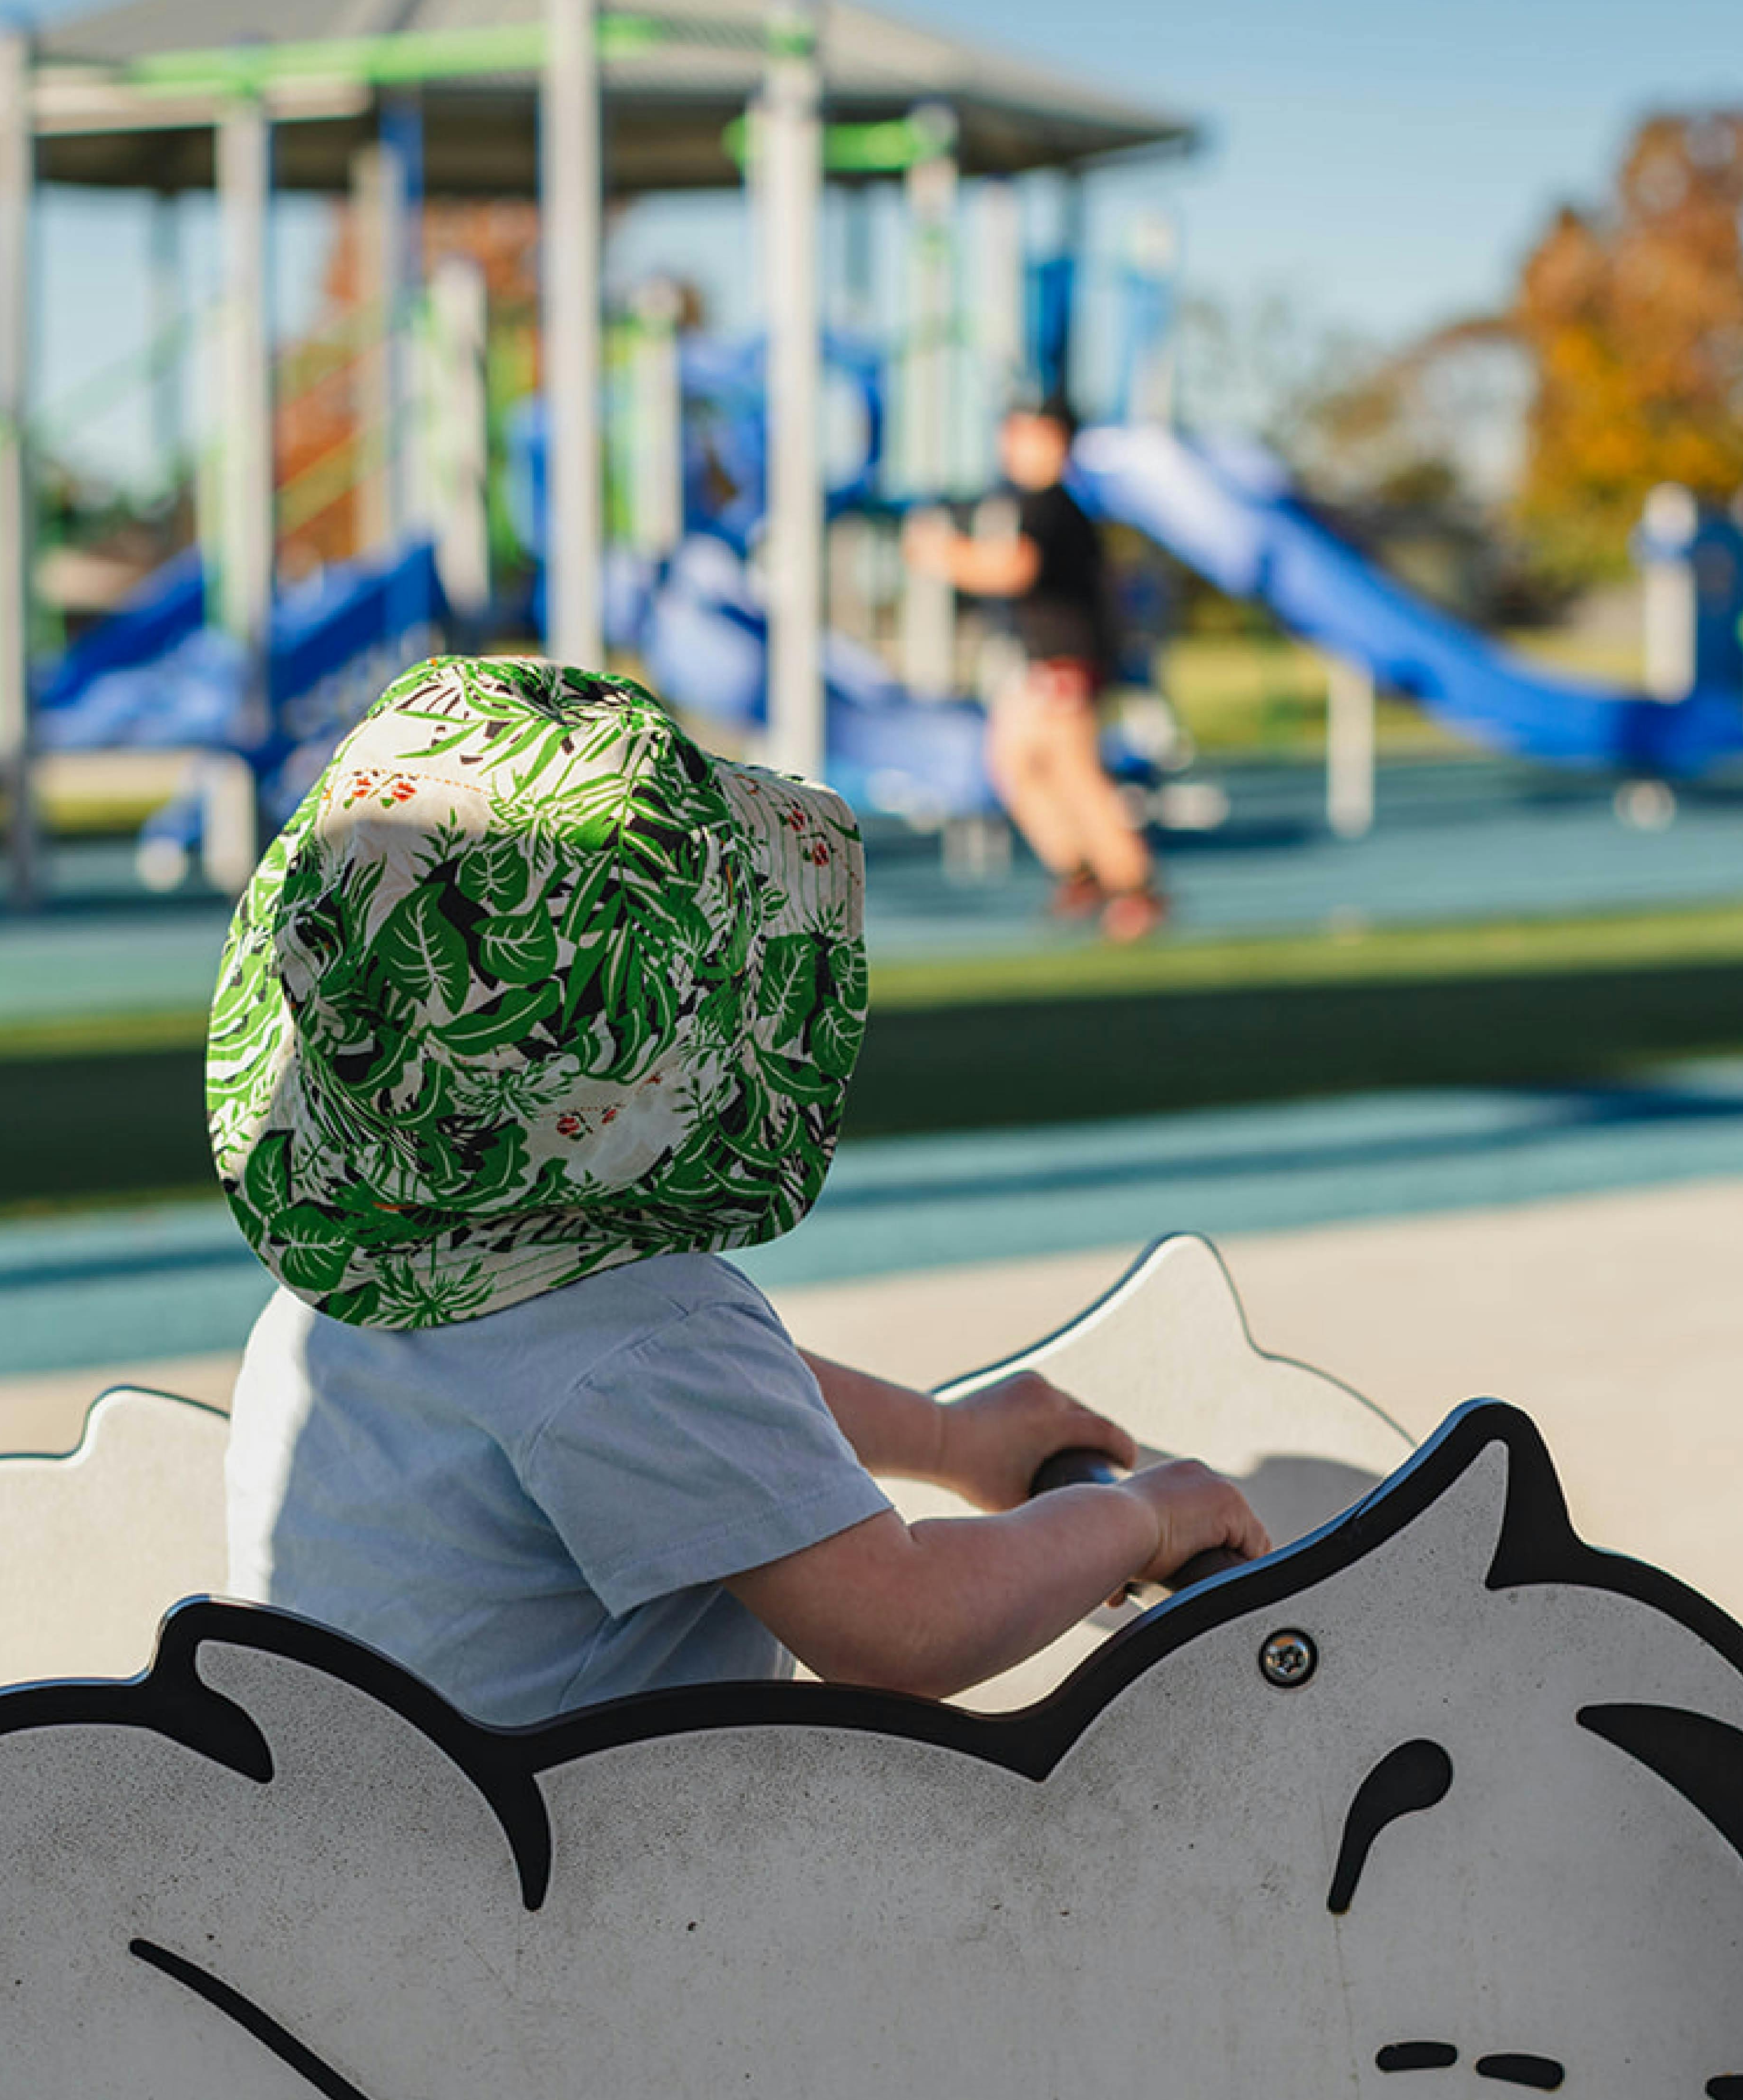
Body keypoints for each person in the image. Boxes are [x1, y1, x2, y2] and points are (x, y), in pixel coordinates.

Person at [209, 656, 1264, 1727]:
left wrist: (949, 1441)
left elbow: (698, 1411)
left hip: (344, 1847)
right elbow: (904, 1628)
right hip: (567, 1877)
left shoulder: (358, 1281)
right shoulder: (646, 1349)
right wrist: (1137, 1522)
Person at [905, 391, 1165, 941]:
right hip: (1043, 662)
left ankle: (1133, 886)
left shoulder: (1048, 503)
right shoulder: (1042, 502)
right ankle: (1081, 871)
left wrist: (941, 554)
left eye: (1020, 433)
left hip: (1064, 662)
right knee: (1015, 764)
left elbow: (1013, 570)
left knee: (1074, 775)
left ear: (1052, 440)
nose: (1009, 445)